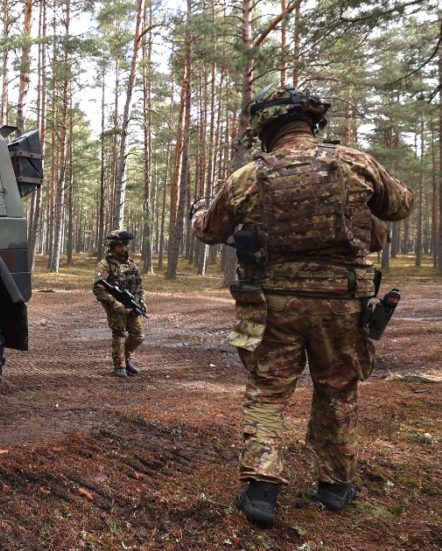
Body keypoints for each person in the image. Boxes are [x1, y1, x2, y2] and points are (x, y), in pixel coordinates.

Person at [191, 83, 413, 527]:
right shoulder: (355, 163)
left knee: (268, 394)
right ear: (313, 121)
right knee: (336, 391)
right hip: (342, 307)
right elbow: (400, 205)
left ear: (265, 128)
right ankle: (335, 486)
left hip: (273, 307)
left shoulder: (247, 177)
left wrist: (199, 210)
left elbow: (208, 231)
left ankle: (261, 491)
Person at [92, 229, 145, 378]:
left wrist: (141, 302)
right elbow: (97, 288)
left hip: (132, 304)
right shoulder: (105, 265)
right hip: (116, 306)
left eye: (124, 245)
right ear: (113, 246)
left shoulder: (131, 265)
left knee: (138, 335)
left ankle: (126, 358)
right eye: (119, 245)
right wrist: (114, 303)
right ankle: (119, 366)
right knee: (119, 334)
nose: (123, 248)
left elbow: (138, 285)